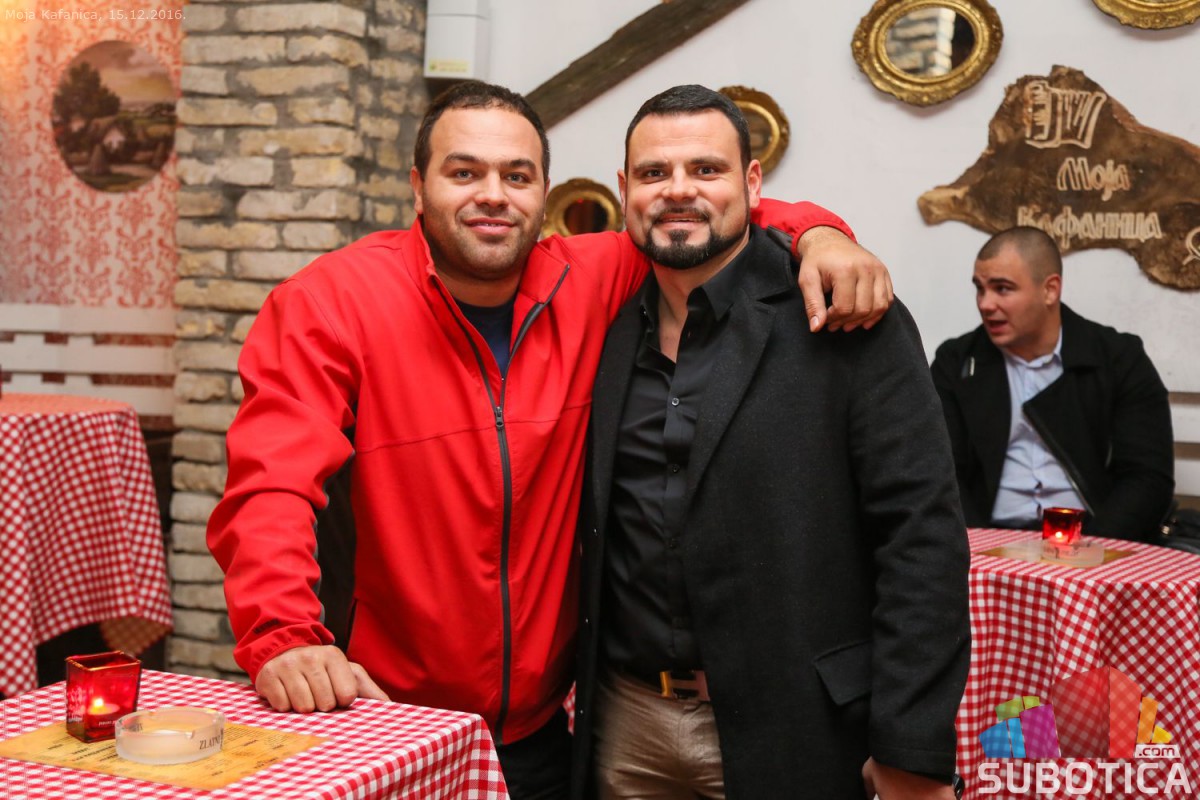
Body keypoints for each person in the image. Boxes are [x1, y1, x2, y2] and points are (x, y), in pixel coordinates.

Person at [206, 81, 893, 800]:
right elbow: (271, 483)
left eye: (517, 175)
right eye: (464, 172)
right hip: (392, 721)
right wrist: (284, 633)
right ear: (417, 187)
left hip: (544, 732)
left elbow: (702, 217)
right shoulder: (331, 302)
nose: (493, 195)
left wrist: (819, 233)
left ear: (544, 192)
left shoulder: (594, 277)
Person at [571, 85, 969, 800]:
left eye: (707, 169)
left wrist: (911, 742)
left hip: (796, 723)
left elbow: (920, 537)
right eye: (655, 173)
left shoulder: (842, 312)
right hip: (626, 725)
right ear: (624, 191)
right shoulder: (606, 323)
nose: (679, 190)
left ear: (753, 186)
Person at [931, 227, 1174, 541]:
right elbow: (940, 472)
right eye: (980, 288)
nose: (986, 304)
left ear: (1050, 290)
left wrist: (1090, 547)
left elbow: (1147, 479)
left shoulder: (1118, 359)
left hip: (1093, 540)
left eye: (1002, 289)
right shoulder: (957, 362)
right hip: (988, 541)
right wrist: (976, 544)